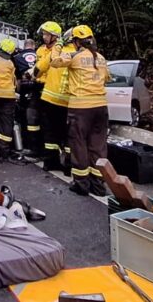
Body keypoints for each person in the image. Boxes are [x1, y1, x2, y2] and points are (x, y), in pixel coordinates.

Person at [50, 25, 110, 196]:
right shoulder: (101, 58)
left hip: (81, 108)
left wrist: (58, 46)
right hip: (101, 107)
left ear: (76, 41)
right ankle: (98, 186)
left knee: (79, 145)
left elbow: (55, 62)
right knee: (98, 146)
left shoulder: (74, 56)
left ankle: (82, 184)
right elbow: (106, 77)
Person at [34, 22, 75, 172]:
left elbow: (38, 68)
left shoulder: (56, 52)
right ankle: (69, 166)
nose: (44, 37)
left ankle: (50, 163)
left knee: (50, 133)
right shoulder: (77, 54)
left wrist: (34, 76)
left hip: (49, 99)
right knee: (67, 134)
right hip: (67, 101)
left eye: (46, 34)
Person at [12, 39, 41, 156]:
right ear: (33, 46)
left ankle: (28, 145)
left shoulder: (18, 57)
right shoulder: (39, 55)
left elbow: (17, 79)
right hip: (38, 88)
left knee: (25, 119)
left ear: (24, 46)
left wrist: (18, 92)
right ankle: (39, 145)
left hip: (24, 89)